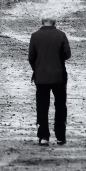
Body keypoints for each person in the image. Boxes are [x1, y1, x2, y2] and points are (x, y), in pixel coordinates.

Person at [28, 14, 71, 146]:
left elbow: (31, 56)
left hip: (41, 77)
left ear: (42, 21)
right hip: (58, 76)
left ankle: (43, 136)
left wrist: (37, 68)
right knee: (60, 106)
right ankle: (60, 136)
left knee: (42, 106)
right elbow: (67, 54)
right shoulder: (61, 35)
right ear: (54, 22)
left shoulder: (35, 36)